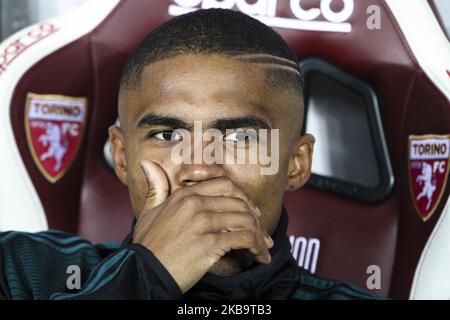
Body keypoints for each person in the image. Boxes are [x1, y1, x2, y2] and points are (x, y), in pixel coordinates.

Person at [0, 8, 382, 300]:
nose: (200, 169)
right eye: (167, 134)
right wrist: (140, 278)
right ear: (122, 156)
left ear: (297, 164)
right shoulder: (20, 270)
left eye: (239, 138)